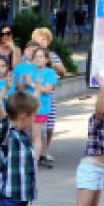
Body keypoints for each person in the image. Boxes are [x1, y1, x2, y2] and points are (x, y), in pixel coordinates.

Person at [31, 27, 66, 166]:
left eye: (44, 39)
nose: (41, 41)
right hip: (31, 101)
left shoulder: (52, 56)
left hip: (47, 98)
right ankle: (36, 154)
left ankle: (45, 151)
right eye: (39, 38)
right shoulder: (31, 57)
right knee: (35, 130)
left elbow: (63, 72)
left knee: (49, 126)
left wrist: (52, 63)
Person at [28, 46, 58, 167]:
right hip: (28, 108)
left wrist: (32, 84)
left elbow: (47, 89)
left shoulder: (50, 73)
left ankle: (34, 161)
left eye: (41, 56)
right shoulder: (30, 71)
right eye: (36, 56)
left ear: (46, 59)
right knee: (30, 135)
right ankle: (32, 157)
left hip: (41, 109)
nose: (38, 59)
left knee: (36, 134)